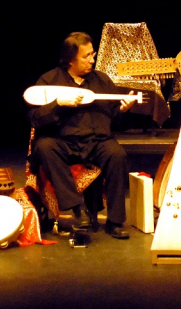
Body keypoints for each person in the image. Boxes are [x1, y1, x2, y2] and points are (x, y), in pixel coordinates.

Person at [27, 32, 136, 239]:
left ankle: (115, 221)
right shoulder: (49, 80)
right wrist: (58, 104)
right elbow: (34, 117)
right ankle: (77, 207)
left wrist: (122, 110)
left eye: (92, 55)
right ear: (70, 59)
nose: (92, 60)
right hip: (62, 141)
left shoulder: (102, 81)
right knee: (44, 147)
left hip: (96, 142)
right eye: (86, 56)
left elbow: (115, 121)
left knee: (117, 154)